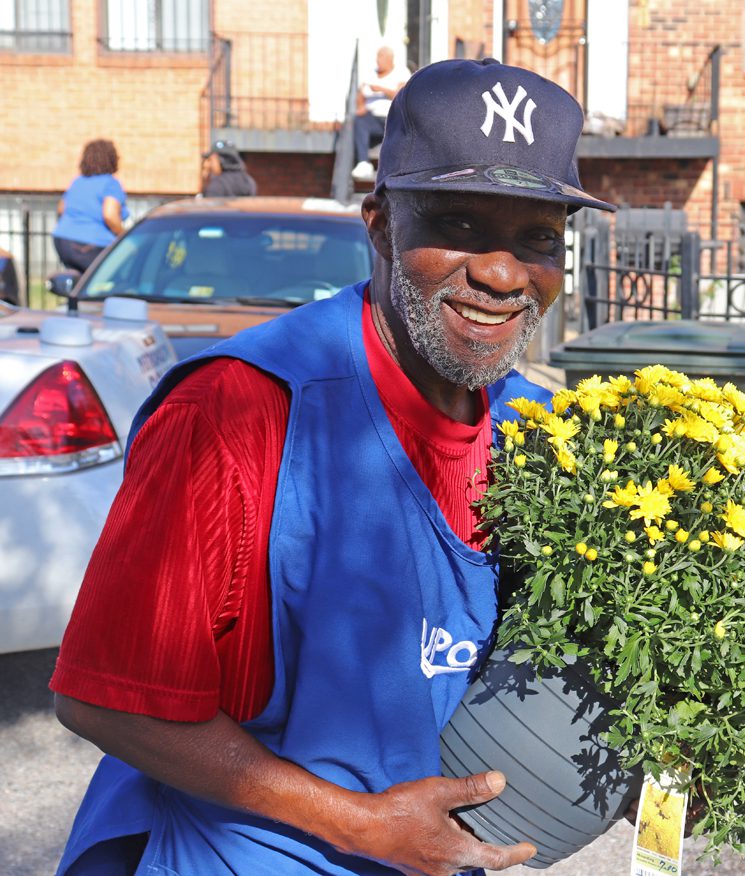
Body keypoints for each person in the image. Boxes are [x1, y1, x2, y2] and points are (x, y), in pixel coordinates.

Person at [50, 57, 614, 876]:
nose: (501, 273)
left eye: (537, 239)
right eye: (457, 226)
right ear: (381, 225)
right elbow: (103, 694)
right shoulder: (237, 414)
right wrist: (356, 823)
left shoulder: (538, 432)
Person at [52, 139, 128, 273]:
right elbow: (109, 215)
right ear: (112, 159)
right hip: (91, 245)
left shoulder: (77, 182)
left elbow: (61, 210)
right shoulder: (110, 183)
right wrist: (124, 235)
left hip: (62, 240)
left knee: (79, 282)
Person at [351, 46, 411, 182]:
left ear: (390, 59)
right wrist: (361, 106)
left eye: (381, 57)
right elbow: (360, 96)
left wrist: (380, 89)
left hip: (392, 119)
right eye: (377, 57)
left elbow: (400, 95)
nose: (378, 60)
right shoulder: (370, 74)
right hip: (373, 119)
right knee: (359, 120)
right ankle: (363, 163)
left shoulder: (401, 73)